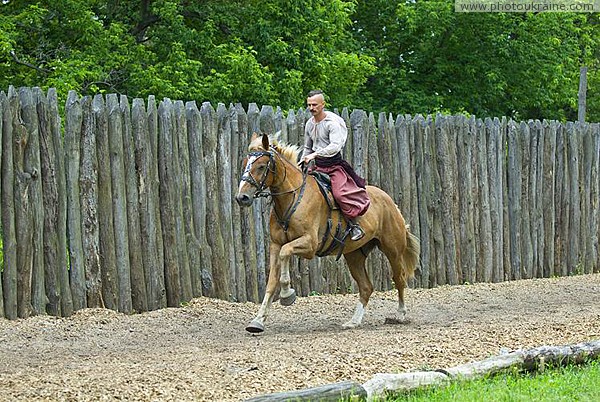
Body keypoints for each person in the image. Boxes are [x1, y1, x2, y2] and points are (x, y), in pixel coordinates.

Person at [301, 90, 370, 241]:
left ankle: (354, 225)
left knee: (339, 194)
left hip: (334, 166)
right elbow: (307, 147)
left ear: (323, 105)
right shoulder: (309, 124)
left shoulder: (331, 123)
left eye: (314, 105)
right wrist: (301, 162)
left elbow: (335, 146)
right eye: (309, 105)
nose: (311, 108)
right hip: (318, 167)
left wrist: (315, 154)